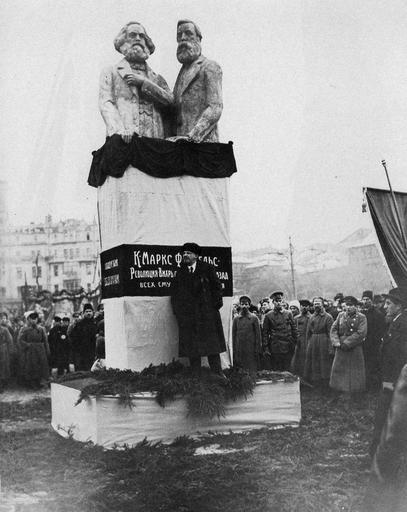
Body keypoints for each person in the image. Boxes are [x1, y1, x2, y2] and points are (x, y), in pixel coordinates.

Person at [99, 21, 173, 142]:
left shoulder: (156, 78)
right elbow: (106, 103)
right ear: (123, 41)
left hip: (154, 141)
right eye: (133, 35)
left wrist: (144, 83)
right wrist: (119, 130)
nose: (138, 39)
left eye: (141, 36)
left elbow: (170, 102)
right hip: (125, 138)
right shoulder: (111, 72)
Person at [170, 242, 226, 375]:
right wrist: (179, 314)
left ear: (196, 255)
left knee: (212, 347)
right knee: (192, 349)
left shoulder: (207, 269)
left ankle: (218, 374)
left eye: (188, 253)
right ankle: (197, 376)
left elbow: (217, 288)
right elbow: (175, 295)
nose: (185, 255)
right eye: (184, 253)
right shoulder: (181, 273)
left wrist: (213, 308)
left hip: (207, 316)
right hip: (189, 318)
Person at [370, 287, 407, 457]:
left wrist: (390, 380)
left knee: (386, 418)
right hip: (390, 380)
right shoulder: (395, 322)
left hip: (394, 381)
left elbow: (400, 357)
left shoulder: (403, 325)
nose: (385, 307)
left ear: (399, 306)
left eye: (388, 303)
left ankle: (380, 456)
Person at [172, 20, 222, 143]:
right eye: (179, 35)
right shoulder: (182, 73)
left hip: (202, 144)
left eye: (188, 33)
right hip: (179, 145)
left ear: (198, 39)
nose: (183, 38)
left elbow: (215, 107)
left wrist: (193, 136)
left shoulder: (209, 66)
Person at [330, 296, 367, 393]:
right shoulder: (340, 315)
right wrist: (336, 342)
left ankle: (354, 392)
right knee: (340, 369)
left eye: (351, 305)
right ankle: (339, 390)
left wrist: (347, 343)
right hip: (340, 347)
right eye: (347, 305)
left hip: (354, 347)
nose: (348, 307)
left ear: (356, 306)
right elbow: (333, 329)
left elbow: (361, 333)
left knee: (354, 371)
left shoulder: (362, 317)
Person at [262, 291, 297, 371]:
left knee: (287, 369)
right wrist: (266, 347)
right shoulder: (268, 315)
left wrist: (295, 342)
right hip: (275, 347)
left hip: (287, 346)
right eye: (276, 301)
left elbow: (294, 329)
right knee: (277, 370)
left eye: (280, 301)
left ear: (282, 301)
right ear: (273, 302)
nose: (278, 303)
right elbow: (265, 333)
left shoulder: (288, 314)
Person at [303, 297, 334, 387]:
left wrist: (331, 348)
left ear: (322, 304)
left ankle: (325, 384)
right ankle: (316, 383)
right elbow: (308, 333)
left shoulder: (328, 317)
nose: (316, 305)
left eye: (318, 303)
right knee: (314, 363)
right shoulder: (312, 317)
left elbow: (331, 333)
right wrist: (308, 345)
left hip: (323, 342)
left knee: (324, 364)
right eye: (315, 304)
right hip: (313, 342)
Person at [361, 290, 387, 391]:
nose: (365, 301)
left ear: (371, 300)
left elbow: (381, 331)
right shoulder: (362, 313)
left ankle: (373, 388)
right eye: (363, 299)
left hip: (373, 345)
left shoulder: (378, 314)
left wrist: (373, 341)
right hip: (363, 344)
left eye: (367, 299)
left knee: (373, 366)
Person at [17, 311, 50, 389]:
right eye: (32, 319)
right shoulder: (24, 329)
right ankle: (32, 382)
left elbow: (45, 341)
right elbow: (20, 340)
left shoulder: (41, 329)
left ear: (37, 319)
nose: (33, 320)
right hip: (30, 351)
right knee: (31, 366)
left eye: (35, 319)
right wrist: (27, 345)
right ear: (28, 319)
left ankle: (39, 381)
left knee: (41, 366)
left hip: (40, 350)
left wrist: (47, 351)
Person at [232, 296, 262, 375]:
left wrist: (258, 349)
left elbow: (258, 335)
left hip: (251, 348)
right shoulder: (236, 319)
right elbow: (233, 335)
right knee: (241, 371)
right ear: (240, 305)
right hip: (240, 349)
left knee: (251, 370)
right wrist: (234, 349)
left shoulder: (254, 318)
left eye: (246, 304)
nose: (244, 306)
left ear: (249, 305)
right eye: (242, 304)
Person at [69, 304, 97, 371]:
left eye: (90, 311)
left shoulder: (96, 323)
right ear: (83, 313)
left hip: (92, 352)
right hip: (81, 352)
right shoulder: (79, 324)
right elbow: (73, 338)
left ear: (93, 312)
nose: (88, 313)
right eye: (86, 311)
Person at [291, 299, 312, 379]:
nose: (304, 308)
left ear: (309, 307)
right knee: (297, 359)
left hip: (308, 341)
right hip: (298, 341)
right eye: (302, 306)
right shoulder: (296, 318)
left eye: (306, 306)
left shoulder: (311, 318)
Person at [0, 322, 13, 392]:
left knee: (3, 367)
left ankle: (2, 384)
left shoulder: (4, 330)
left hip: (3, 350)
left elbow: (10, 340)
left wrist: (10, 351)